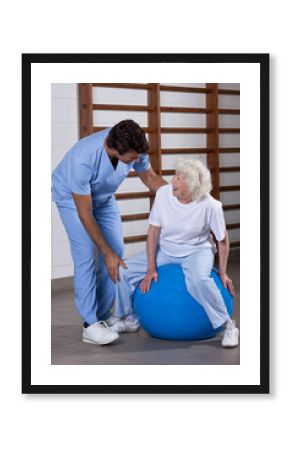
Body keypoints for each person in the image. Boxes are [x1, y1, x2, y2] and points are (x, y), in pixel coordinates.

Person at [52, 120, 167, 345]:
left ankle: (103, 317)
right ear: (114, 149)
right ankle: (89, 324)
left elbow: (151, 177)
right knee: (87, 254)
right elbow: (85, 213)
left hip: (103, 198)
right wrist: (104, 251)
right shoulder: (82, 159)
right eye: (133, 158)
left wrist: (180, 196)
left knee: (116, 251)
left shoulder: (133, 146)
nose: (137, 161)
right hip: (71, 198)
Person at [110, 158, 239, 348]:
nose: (172, 181)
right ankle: (128, 318)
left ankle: (229, 326)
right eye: (174, 176)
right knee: (124, 271)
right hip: (166, 249)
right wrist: (151, 267)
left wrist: (223, 272)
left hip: (197, 251)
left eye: (179, 178)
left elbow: (222, 239)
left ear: (193, 185)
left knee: (198, 279)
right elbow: (153, 233)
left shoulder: (211, 205)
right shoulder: (163, 194)